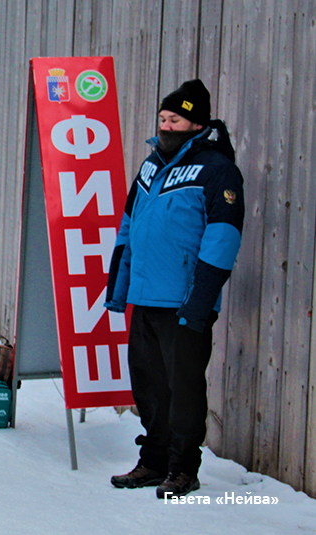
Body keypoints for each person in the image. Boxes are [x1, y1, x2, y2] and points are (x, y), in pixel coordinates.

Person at [105, 79, 245, 499]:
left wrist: (198, 303)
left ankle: (184, 468)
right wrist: (119, 286)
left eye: (175, 120)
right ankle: (154, 459)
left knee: (183, 388)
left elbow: (223, 240)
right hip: (146, 297)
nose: (166, 126)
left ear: (196, 124)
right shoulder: (150, 166)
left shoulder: (218, 169)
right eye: (162, 119)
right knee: (148, 385)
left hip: (184, 303)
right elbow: (129, 226)